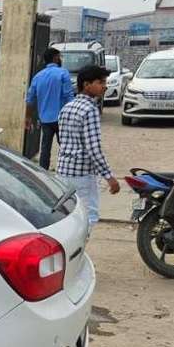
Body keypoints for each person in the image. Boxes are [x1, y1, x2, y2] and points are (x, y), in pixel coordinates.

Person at [56, 64, 120, 229]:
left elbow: (63, 141)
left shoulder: (67, 108)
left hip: (63, 171)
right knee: (88, 217)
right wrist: (109, 177)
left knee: (68, 215)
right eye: (100, 82)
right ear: (86, 84)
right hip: (82, 174)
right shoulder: (90, 110)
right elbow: (94, 149)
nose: (104, 86)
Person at [26, 47, 74, 170]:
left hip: (45, 119)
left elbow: (30, 100)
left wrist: (28, 117)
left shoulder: (38, 77)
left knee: (45, 148)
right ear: (55, 58)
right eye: (60, 57)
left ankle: (43, 173)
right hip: (62, 118)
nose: (61, 59)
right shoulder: (63, 73)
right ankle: (65, 170)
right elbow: (69, 96)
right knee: (66, 147)